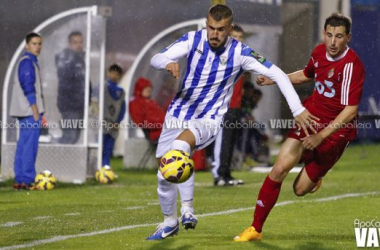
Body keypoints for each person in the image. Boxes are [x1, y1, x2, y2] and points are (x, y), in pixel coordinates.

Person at [147, 4, 316, 240]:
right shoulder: (193, 39)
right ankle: (170, 221)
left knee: (179, 150)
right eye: (211, 28)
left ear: (229, 29)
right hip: (178, 113)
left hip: (209, 118)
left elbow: (276, 73)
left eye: (221, 29)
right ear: (206, 24)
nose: (214, 34)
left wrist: (297, 108)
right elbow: (157, 57)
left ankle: (187, 208)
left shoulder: (241, 53)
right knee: (164, 173)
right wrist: (167, 63)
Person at [234, 12, 365, 242]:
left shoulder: (352, 66)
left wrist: (321, 136)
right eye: (330, 35)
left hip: (335, 133)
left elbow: (350, 111)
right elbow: (306, 75)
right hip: (310, 118)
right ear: (324, 34)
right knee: (278, 169)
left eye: (339, 37)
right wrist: (276, 79)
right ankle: (255, 228)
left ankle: (316, 172)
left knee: (299, 189)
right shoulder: (318, 52)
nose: (333, 42)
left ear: (348, 38)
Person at [211, 24, 245, 186]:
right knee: (222, 139)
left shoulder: (242, 56)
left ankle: (227, 173)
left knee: (231, 140)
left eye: (240, 38)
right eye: (235, 37)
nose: (238, 40)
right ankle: (218, 174)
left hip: (236, 105)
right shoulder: (222, 56)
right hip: (224, 105)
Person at [10, 32, 44, 190]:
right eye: (34, 44)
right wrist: (35, 108)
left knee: (24, 145)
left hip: (26, 111)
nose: (37, 47)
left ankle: (20, 179)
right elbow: (28, 86)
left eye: (39, 44)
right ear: (27, 45)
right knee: (29, 146)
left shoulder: (28, 62)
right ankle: (27, 180)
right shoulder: (27, 62)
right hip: (29, 111)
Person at [56, 31, 86, 144]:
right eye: (75, 42)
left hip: (79, 105)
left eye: (80, 42)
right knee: (70, 135)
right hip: (70, 105)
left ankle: (63, 159)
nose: (79, 45)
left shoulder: (80, 59)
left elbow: (84, 82)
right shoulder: (66, 59)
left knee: (75, 136)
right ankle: (61, 159)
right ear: (69, 43)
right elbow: (66, 83)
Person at [102, 64, 126, 167]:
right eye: (112, 73)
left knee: (109, 146)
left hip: (114, 124)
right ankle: (98, 165)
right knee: (101, 145)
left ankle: (106, 165)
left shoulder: (121, 92)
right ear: (108, 73)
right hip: (102, 122)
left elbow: (122, 108)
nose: (114, 76)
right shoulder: (103, 87)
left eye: (117, 74)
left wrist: (118, 122)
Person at [129, 77, 166, 142]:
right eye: (146, 88)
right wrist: (160, 123)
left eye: (150, 88)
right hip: (154, 133)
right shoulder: (136, 103)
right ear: (140, 89)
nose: (149, 90)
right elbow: (141, 121)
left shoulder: (152, 102)